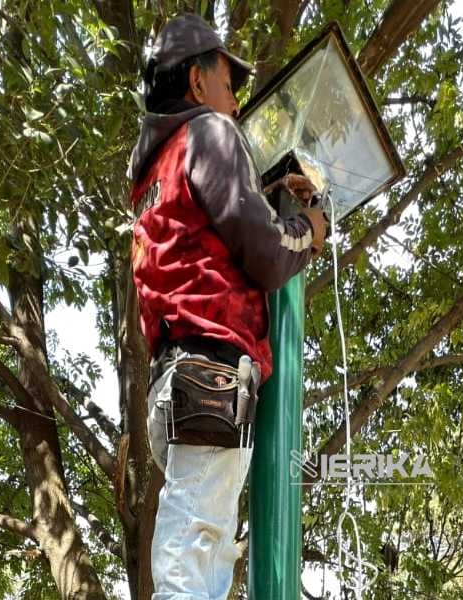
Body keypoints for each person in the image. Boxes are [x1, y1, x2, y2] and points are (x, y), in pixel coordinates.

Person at [127, 14, 329, 599]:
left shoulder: (154, 172)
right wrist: (309, 228)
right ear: (196, 83)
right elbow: (265, 254)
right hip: (212, 372)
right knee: (195, 550)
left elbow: (209, 243)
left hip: (179, 380)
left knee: (198, 540)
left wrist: (267, 195)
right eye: (228, 85)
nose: (236, 104)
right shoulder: (210, 135)